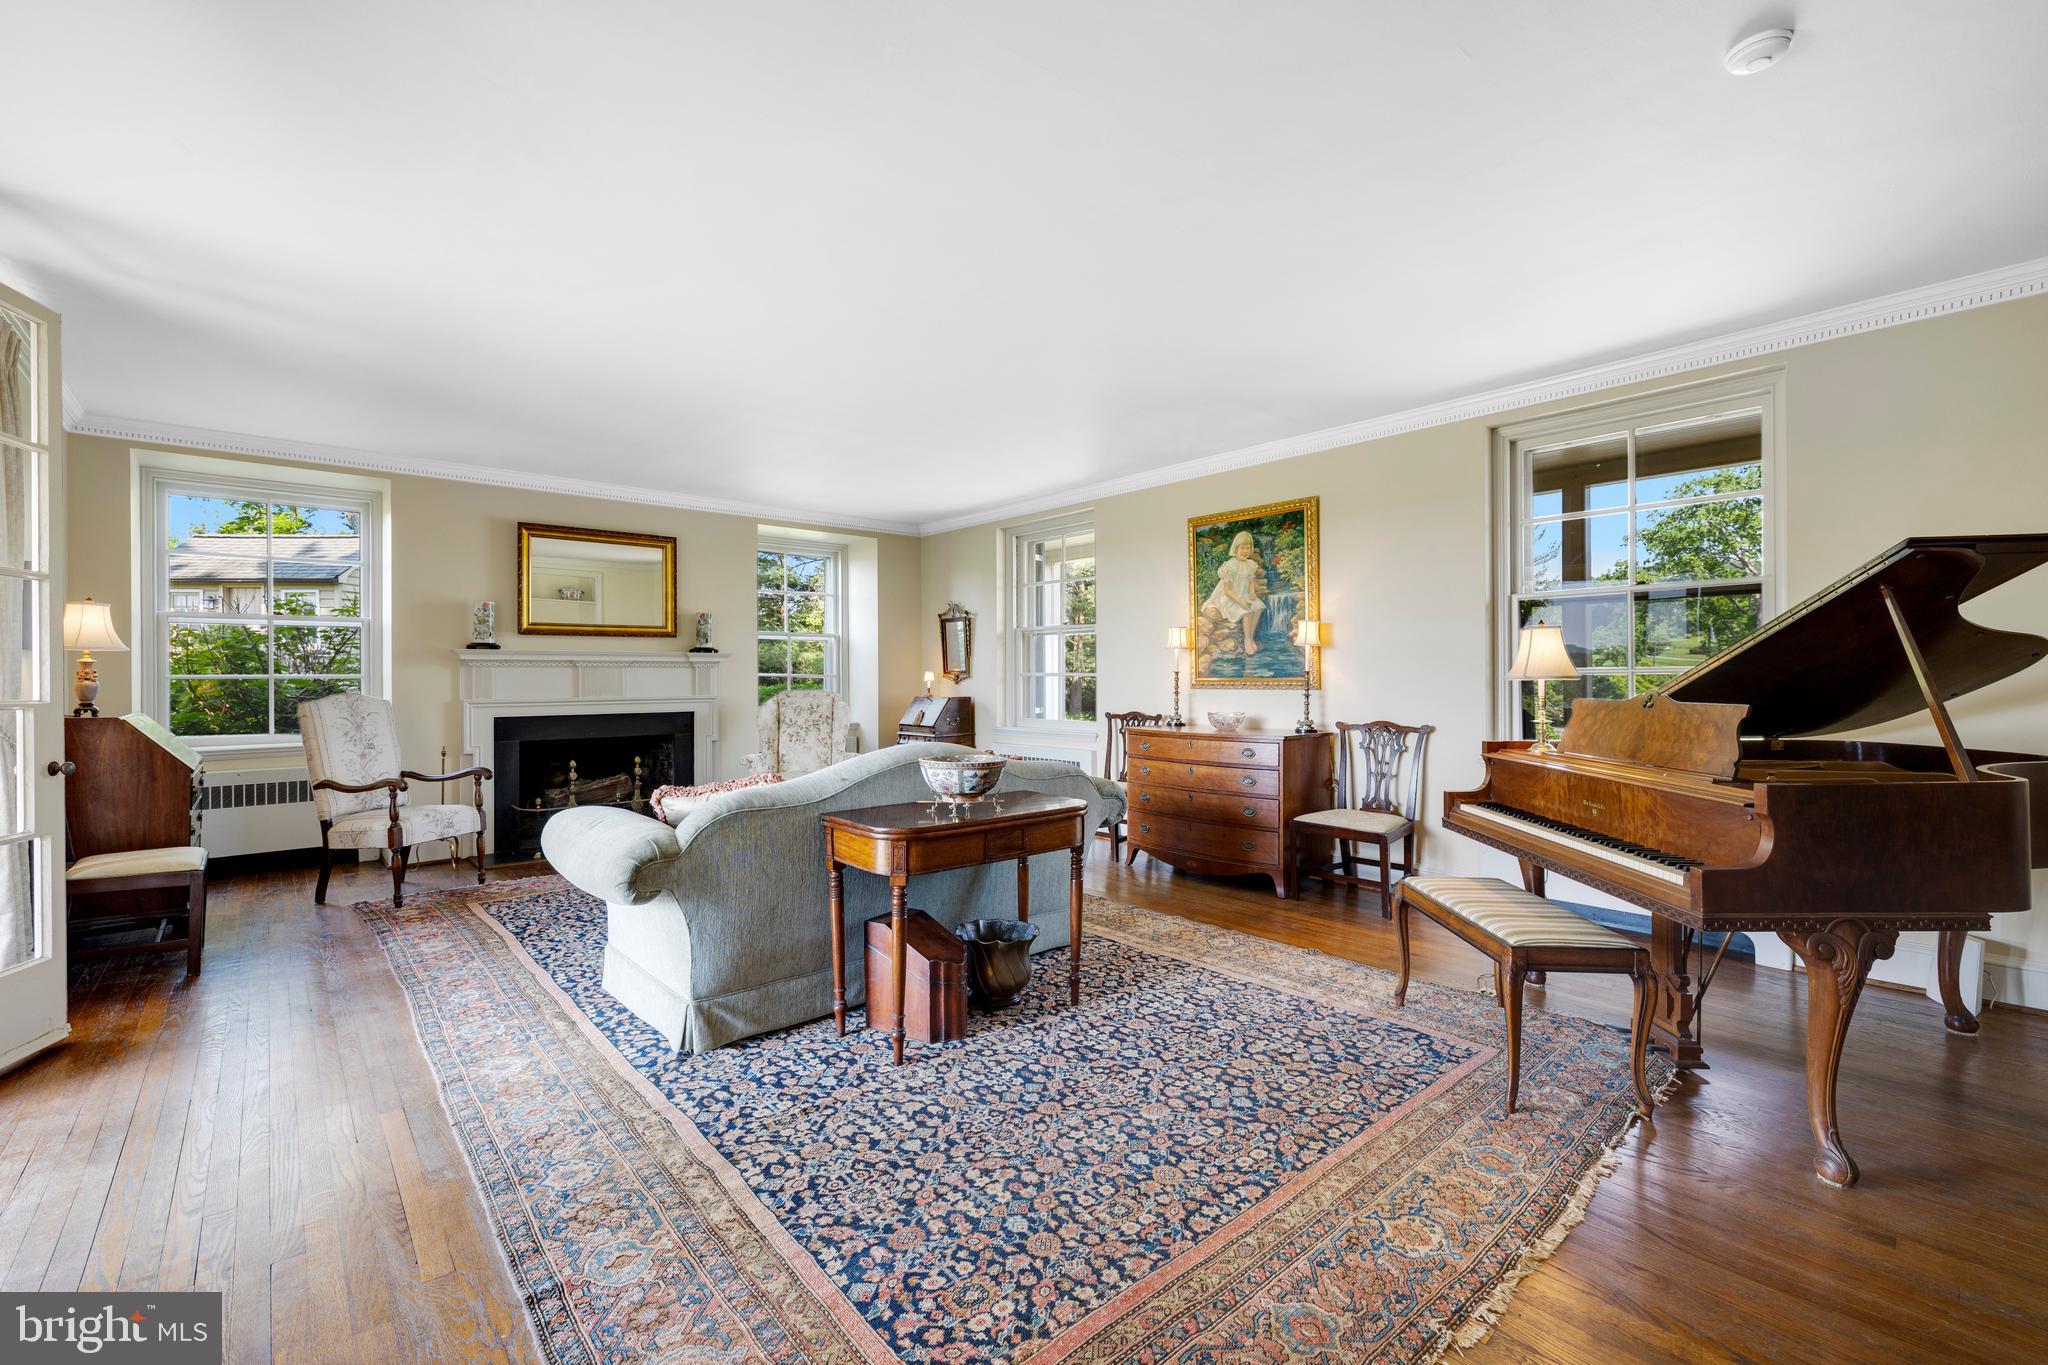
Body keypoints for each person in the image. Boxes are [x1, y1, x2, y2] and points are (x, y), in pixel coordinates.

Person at [1201, 530, 1266, 655]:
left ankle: (1251, 637)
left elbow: (1251, 581)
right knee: (1246, 611)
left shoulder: (1250, 564)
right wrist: (1240, 601)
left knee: (1258, 607)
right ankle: (1247, 640)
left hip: (1243, 594)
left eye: (1248, 548)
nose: (1245, 551)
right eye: (1242, 548)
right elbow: (1227, 591)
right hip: (1230, 597)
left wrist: (1252, 592)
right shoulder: (1230, 566)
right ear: (1236, 548)